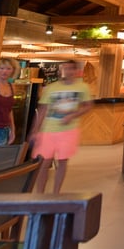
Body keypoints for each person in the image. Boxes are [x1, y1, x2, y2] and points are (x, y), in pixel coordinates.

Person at [30, 60, 93, 194]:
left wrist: (73, 115)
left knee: (62, 161)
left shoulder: (83, 87)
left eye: (70, 69)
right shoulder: (51, 88)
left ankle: (56, 193)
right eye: (64, 69)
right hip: (48, 130)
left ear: (76, 71)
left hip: (68, 131)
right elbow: (42, 110)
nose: (67, 71)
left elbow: (88, 106)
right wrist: (35, 130)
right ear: (60, 71)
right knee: (44, 163)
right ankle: (39, 194)